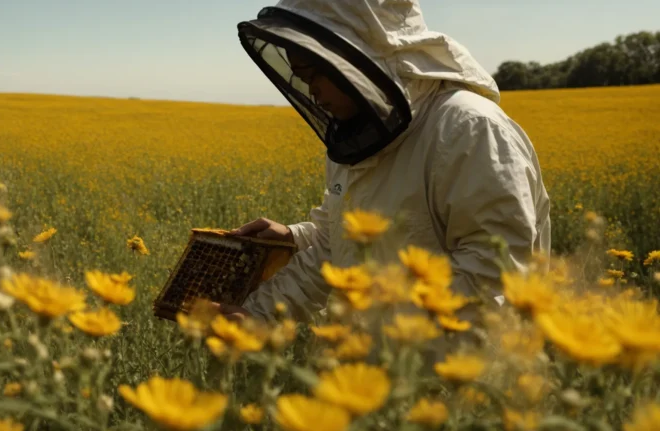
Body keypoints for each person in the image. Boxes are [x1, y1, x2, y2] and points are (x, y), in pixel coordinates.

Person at [212, 0, 551, 324]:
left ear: (355, 55)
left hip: (462, 373)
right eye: (301, 76)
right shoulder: (358, 135)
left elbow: (496, 272)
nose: (311, 91)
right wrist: (260, 312)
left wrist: (394, 342)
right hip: (379, 369)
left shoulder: (468, 130)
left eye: (315, 73)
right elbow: (336, 244)